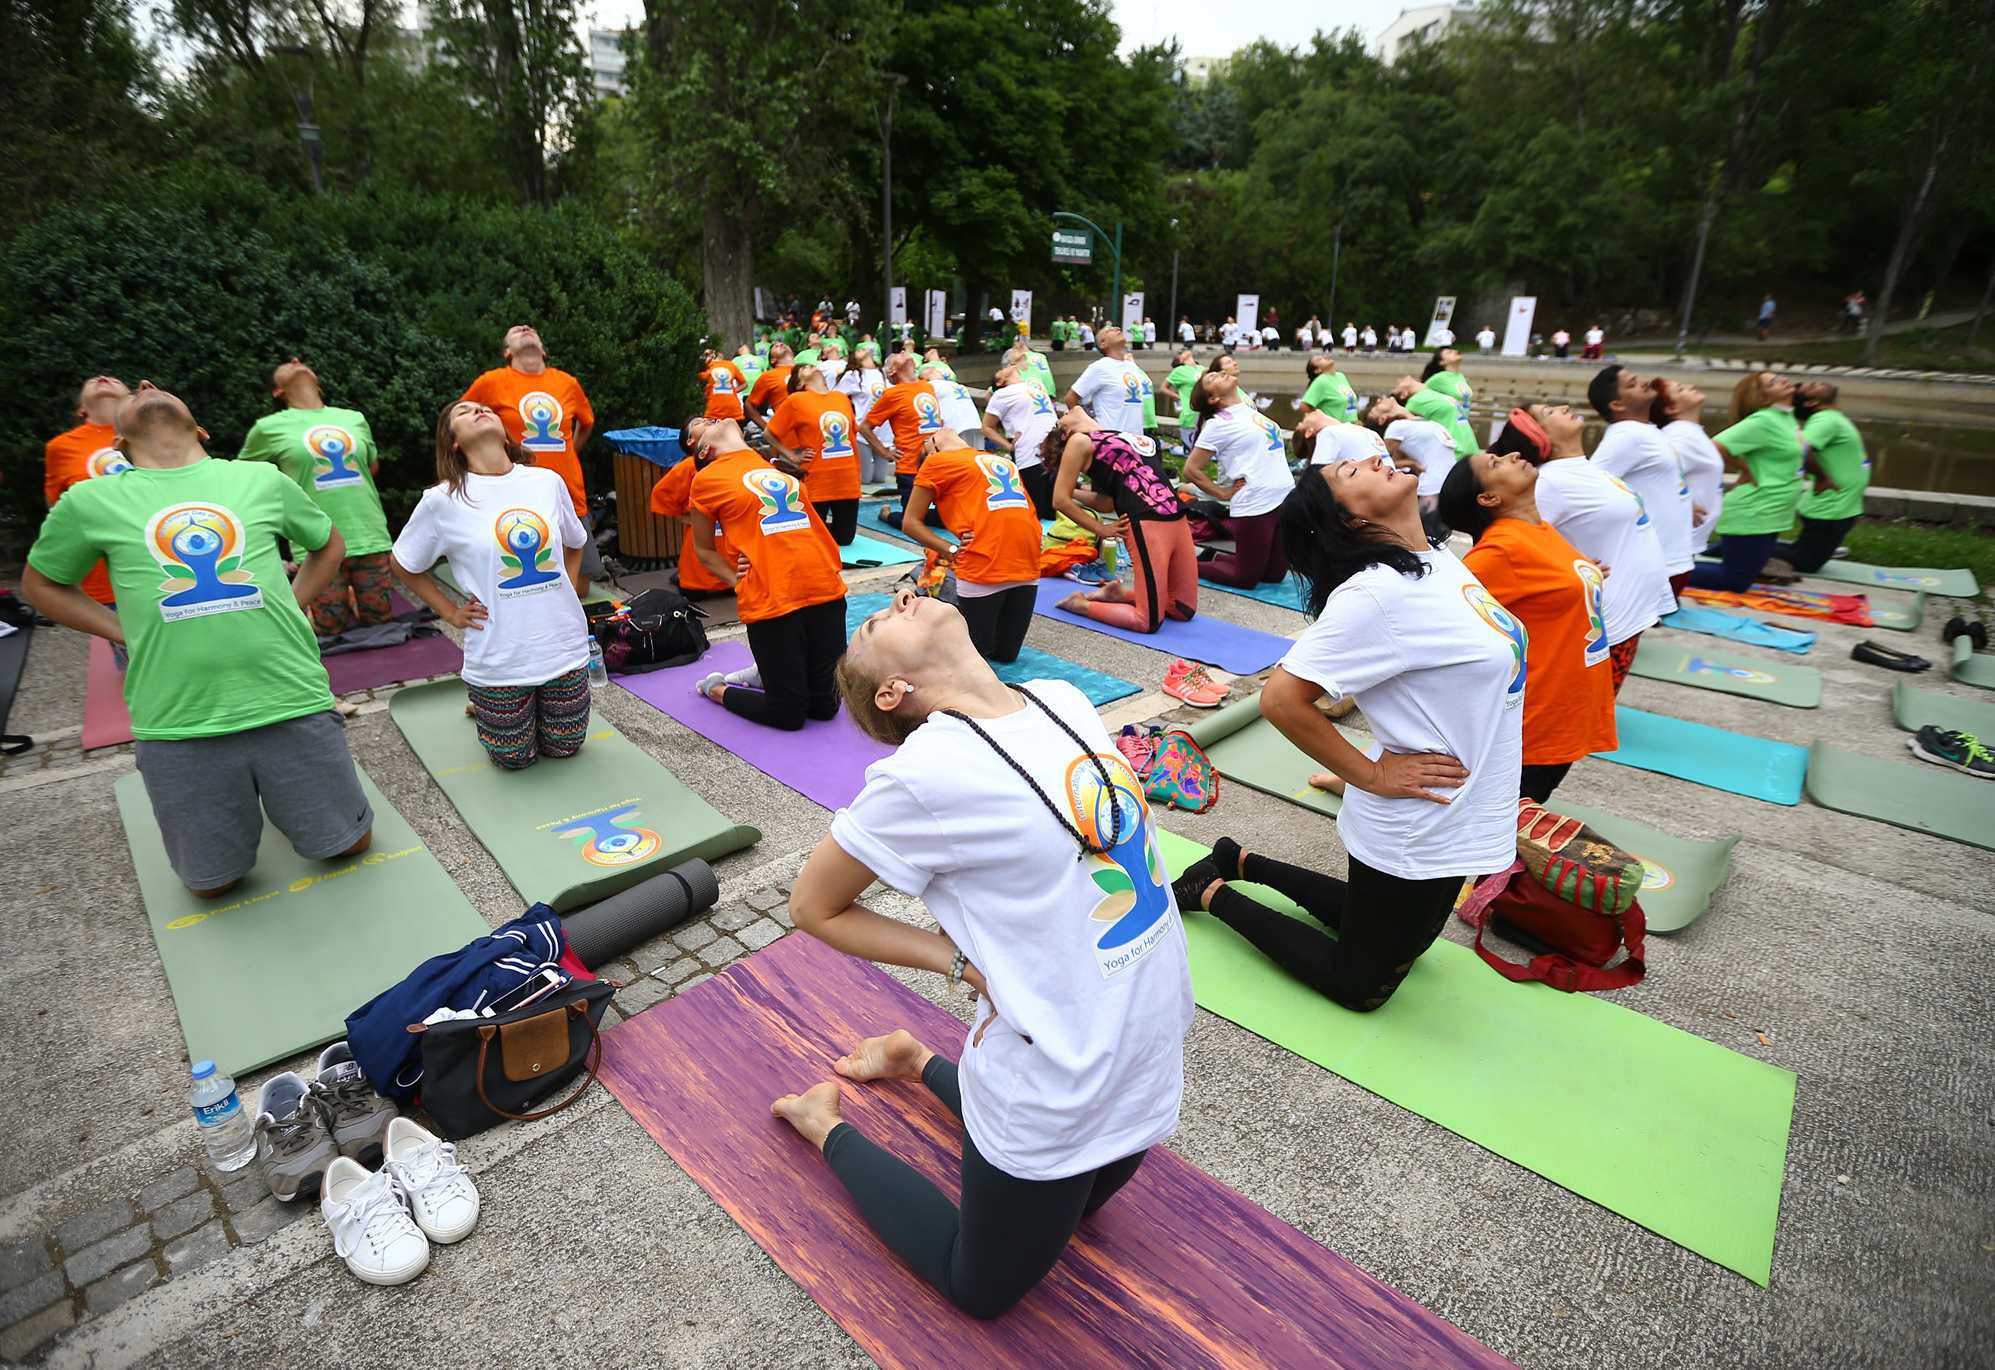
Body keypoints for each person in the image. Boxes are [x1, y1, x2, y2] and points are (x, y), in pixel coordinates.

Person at [776, 589, 1192, 1320]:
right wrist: (955, 961)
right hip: (1053, 1067)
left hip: (1144, 1035)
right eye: (875, 623)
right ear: (892, 690)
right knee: (980, 1287)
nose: (902, 594)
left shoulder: (1061, 698)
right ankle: (823, 1123)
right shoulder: (921, 777)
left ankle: (913, 1059)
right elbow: (813, 907)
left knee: (1085, 1208)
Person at [1172, 451, 1522, 1012]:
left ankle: (1238, 860)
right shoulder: (1376, 596)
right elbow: (1282, 699)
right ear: (1351, 519)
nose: (1374, 457)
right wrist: (1370, 775)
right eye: (1353, 472)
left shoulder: (1436, 559)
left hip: (1461, 804)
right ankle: (1209, 892)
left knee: (1409, 944)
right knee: (1362, 987)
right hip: (1415, 819)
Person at [24, 384, 371, 895]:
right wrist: (121, 631)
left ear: (201, 430)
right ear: (118, 443)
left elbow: (328, 545)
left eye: (155, 386)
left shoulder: (260, 478)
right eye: (135, 390)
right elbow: (41, 585)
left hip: (292, 700)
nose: (146, 387)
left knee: (346, 845)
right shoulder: (90, 500)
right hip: (177, 723)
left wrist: (291, 604)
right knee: (212, 884)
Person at [393, 399, 592, 768]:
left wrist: (566, 587)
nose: (478, 410)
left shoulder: (546, 481)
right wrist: (450, 613)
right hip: (499, 658)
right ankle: (483, 702)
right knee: (514, 758)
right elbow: (404, 563)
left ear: (504, 432)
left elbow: (576, 542)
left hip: (562, 647)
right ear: (454, 442)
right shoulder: (441, 501)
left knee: (565, 748)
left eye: (484, 407)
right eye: (463, 412)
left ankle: (502, 709)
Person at [1440, 450, 1616, 802]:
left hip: (1568, 708)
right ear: (1489, 498)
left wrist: (1580, 578)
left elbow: (1541, 588)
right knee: (1500, 815)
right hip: (1535, 725)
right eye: (1496, 463)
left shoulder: (1540, 530)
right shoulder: (1498, 551)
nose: (1513, 454)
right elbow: (1438, 620)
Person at [1491, 404, 1674, 694]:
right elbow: (1513, 543)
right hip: (1606, 622)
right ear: (1539, 436)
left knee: (1594, 709)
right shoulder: (1550, 482)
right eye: (1549, 412)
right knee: (1583, 709)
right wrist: (1564, 565)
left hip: (1629, 614)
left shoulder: (1583, 469)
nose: (1564, 407)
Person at [687, 420, 848, 729]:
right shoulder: (706, 479)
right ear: (705, 450)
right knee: (788, 714)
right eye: (707, 424)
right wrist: (737, 580)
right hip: (772, 597)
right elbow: (704, 550)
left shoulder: (767, 465)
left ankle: (766, 673)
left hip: (823, 585)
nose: (714, 419)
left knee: (825, 707)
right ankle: (716, 689)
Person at [238, 359, 396, 637]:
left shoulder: (354, 418)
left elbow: (371, 467)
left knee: (380, 621)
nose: (296, 361)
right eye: (287, 364)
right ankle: (335, 605)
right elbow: (244, 477)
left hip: (368, 532)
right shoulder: (268, 428)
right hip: (316, 541)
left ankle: (352, 600)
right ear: (277, 391)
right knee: (329, 629)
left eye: (300, 361)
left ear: (319, 383)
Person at [460, 324, 597, 595]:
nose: (525, 328)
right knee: (525, 582)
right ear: (507, 352)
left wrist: (570, 452)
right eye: (516, 331)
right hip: (513, 494)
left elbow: (587, 422)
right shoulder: (491, 382)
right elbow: (459, 424)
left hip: (567, 490)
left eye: (531, 329)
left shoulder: (567, 382)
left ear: (544, 351)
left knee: (579, 587)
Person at [1046, 409, 1198, 632]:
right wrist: (1101, 529)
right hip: (1146, 523)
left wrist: (1076, 491)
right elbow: (1060, 499)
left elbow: (1107, 503)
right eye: (1063, 417)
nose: (1069, 410)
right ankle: (1080, 604)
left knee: (1182, 609)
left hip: (1177, 517)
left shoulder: (1120, 435)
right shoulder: (1079, 440)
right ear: (1065, 432)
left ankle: (1117, 594)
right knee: (1147, 622)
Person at [899, 432, 1042, 663]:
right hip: (984, 561)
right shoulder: (936, 461)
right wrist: (950, 549)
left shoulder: (996, 458)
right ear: (931, 450)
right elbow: (910, 522)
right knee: (974, 657)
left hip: (1027, 560)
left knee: (1005, 655)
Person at [1686, 371, 1804, 592]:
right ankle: (1662, 573)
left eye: (1779, 377)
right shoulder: (1763, 421)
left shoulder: (1786, 417)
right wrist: (1745, 468)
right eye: (1773, 382)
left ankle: (1677, 566)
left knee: (1744, 574)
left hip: (1772, 510)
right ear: (1762, 397)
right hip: (1754, 510)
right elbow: (1714, 446)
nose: (1783, 380)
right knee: (1734, 581)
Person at [1182, 370, 1294, 588]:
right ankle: (1186, 565)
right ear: (1213, 398)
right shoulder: (1217, 424)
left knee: (1273, 575)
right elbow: (1191, 469)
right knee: (1245, 579)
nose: (1221, 373)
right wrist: (1223, 493)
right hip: (1255, 503)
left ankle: (1216, 557)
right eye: (1212, 378)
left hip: (1284, 498)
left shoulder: (1248, 410)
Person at [1588, 365, 1695, 594]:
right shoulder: (1627, 435)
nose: (1644, 382)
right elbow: (1588, 485)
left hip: (1672, 555)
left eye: (1637, 378)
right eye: (1632, 384)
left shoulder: (1645, 430)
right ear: (1617, 405)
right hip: (1656, 560)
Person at [43, 375, 133, 610]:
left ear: (132, 399)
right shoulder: (60, 447)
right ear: (81, 408)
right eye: (92, 381)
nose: (102, 378)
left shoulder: (152, 433)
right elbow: (58, 511)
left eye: (115, 379)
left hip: (160, 566)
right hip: (104, 580)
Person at [768, 364, 863, 546]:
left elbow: (852, 435)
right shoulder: (796, 400)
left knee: (844, 539)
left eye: (811, 365)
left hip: (847, 479)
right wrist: (792, 456)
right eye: (804, 369)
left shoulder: (841, 397)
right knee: (814, 539)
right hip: (817, 480)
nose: (810, 366)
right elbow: (769, 433)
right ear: (799, 384)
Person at [1780, 381, 1869, 573]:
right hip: (1831, 507)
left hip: (1838, 504)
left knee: (1807, 552)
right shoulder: (1825, 420)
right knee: (1805, 563)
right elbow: (1800, 449)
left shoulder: (1831, 417)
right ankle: (1738, 548)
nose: (1817, 381)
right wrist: (1821, 477)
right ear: (1811, 402)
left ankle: (1753, 545)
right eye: (1812, 386)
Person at [648, 418, 737, 600]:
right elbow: (661, 493)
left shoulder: (732, 460)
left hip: (732, 553)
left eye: (707, 419)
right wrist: (683, 517)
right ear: (691, 441)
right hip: (699, 569)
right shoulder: (689, 466)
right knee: (694, 588)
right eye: (698, 423)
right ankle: (685, 578)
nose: (706, 420)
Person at [864, 352, 946, 521]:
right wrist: (884, 452)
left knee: (946, 517)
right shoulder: (892, 395)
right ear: (892, 371)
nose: (902, 352)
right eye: (896, 355)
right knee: (912, 520)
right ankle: (888, 515)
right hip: (910, 466)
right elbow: (865, 427)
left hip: (936, 462)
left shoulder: (927, 386)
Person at [1363, 394, 1459, 534]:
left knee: (1437, 538)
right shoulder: (1396, 427)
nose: (1378, 400)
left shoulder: (1419, 421)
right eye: (1375, 408)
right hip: (1432, 489)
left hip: (1445, 487)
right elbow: (1383, 461)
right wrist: (1411, 463)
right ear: (1382, 418)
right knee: (1430, 537)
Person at [982, 361, 1060, 519]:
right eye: (1002, 369)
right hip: (1029, 455)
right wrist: (1009, 446)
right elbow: (987, 427)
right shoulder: (1001, 394)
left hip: (1055, 451)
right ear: (1000, 381)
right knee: (1040, 509)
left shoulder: (1034, 387)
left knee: (1057, 508)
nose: (1008, 366)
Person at [1656, 381, 1724, 558]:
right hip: (1679, 538)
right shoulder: (1680, 436)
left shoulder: (1690, 432)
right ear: (1671, 408)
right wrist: (1683, 503)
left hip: (1687, 537)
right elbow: (1656, 473)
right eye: (1680, 389)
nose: (1690, 386)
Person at [1064, 327, 1151, 438]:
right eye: (1109, 330)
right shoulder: (1100, 367)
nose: (1117, 328)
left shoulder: (1131, 366)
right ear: (1103, 344)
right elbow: (1071, 398)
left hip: (1136, 439)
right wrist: (1089, 426)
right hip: (1112, 441)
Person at [838, 345, 892, 492]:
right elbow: (837, 396)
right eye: (857, 349)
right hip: (862, 431)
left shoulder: (883, 373)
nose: (861, 349)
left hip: (883, 431)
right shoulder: (854, 375)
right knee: (865, 479)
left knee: (880, 478)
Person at [1418, 348, 1479, 458]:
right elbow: (1420, 394)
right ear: (1442, 362)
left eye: (1453, 350)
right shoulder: (1438, 378)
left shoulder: (1460, 376)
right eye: (1449, 352)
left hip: (1464, 428)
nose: (1455, 351)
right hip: (1449, 429)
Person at [922, 362, 984, 448]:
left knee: (958, 455)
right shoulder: (959, 386)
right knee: (976, 453)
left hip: (954, 428)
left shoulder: (931, 386)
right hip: (975, 424)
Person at [745, 341, 796, 432]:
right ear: (773, 360)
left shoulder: (807, 369)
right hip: (788, 430)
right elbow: (749, 406)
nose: (780, 344)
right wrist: (767, 429)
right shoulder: (768, 376)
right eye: (775, 346)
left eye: (783, 344)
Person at [1164, 346, 1205, 455]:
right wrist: (1178, 397)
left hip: (1203, 412)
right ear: (1180, 359)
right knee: (1191, 451)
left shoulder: (1202, 368)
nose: (1184, 352)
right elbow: (1164, 388)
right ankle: (1176, 449)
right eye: (1180, 353)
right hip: (1189, 412)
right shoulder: (1179, 371)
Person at [698, 348, 749, 423]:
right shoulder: (730, 365)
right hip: (731, 411)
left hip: (715, 412)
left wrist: (732, 391)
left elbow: (744, 384)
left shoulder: (707, 368)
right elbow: (744, 384)